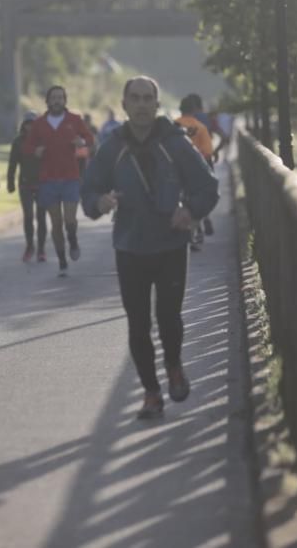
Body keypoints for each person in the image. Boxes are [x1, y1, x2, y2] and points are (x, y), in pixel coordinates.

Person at [81, 76, 219, 420]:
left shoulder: (175, 143)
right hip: (129, 246)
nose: (142, 104)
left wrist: (190, 211)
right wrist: (101, 200)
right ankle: (151, 393)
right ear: (125, 104)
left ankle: (173, 366)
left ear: (157, 105)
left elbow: (207, 187)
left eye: (148, 98)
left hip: (171, 245)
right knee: (138, 324)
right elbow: (88, 192)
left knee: (169, 317)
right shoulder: (112, 146)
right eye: (135, 98)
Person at [23, 85, 95, 277]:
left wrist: (82, 142)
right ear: (47, 101)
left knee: (70, 219)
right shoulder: (39, 123)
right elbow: (27, 147)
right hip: (48, 179)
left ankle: (72, 239)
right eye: (53, 98)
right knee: (56, 223)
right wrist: (35, 151)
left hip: (70, 177)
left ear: (65, 100)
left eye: (60, 98)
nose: (56, 101)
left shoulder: (74, 120)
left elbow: (90, 138)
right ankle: (62, 260)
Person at [176, 94, 218, 248]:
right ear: (194, 110)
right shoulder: (200, 127)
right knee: (197, 199)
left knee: (180, 199)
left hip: (177, 171)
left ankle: (192, 231)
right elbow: (207, 152)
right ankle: (195, 231)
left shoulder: (173, 126)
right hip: (196, 170)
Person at [8, 112, 47, 263]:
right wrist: (10, 182)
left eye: (33, 124)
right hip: (25, 183)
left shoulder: (43, 140)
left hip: (43, 184)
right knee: (29, 216)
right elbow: (12, 163)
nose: (30, 127)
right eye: (27, 124)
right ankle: (30, 246)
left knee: (41, 217)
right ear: (24, 125)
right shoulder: (18, 142)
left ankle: (41, 249)